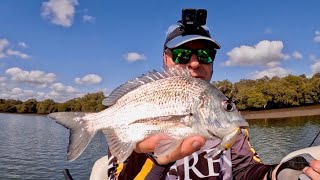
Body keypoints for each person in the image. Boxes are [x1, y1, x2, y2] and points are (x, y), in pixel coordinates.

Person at [105, 9, 320, 180]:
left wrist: (278, 174)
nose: (195, 62)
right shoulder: (131, 115)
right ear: (166, 58)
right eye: (182, 54)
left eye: (205, 55)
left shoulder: (224, 118)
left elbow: (245, 170)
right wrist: (156, 160)